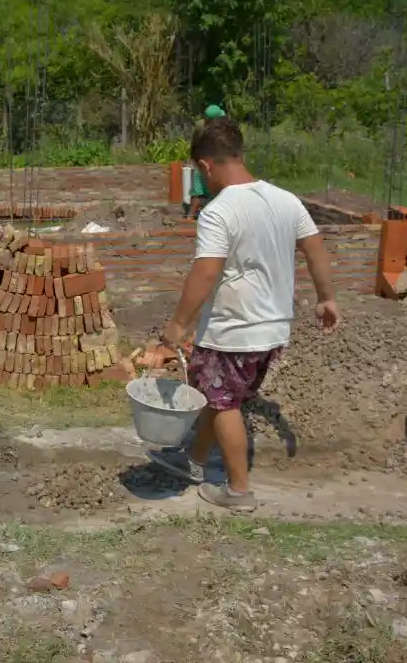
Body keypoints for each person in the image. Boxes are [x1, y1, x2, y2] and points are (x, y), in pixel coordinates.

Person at [148, 116, 340, 512]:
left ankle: (238, 491)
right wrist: (327, 298)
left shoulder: (219, 212)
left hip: (234, 328)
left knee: (223, 404)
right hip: (273, 329)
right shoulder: (286, 200)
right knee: (215, 395)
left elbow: (206, 271)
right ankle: (194, 460)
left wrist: (178, 323)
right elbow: (316, 246)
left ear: (204, 166)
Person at [187, 106, 224, 219]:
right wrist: (193, 159)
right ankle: (191, 216)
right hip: (205, 159)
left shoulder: (216, 127)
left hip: (208, 159)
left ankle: (195, 215)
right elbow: (194, 144)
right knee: (200, 187)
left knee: (205, 188)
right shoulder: (208, 129)